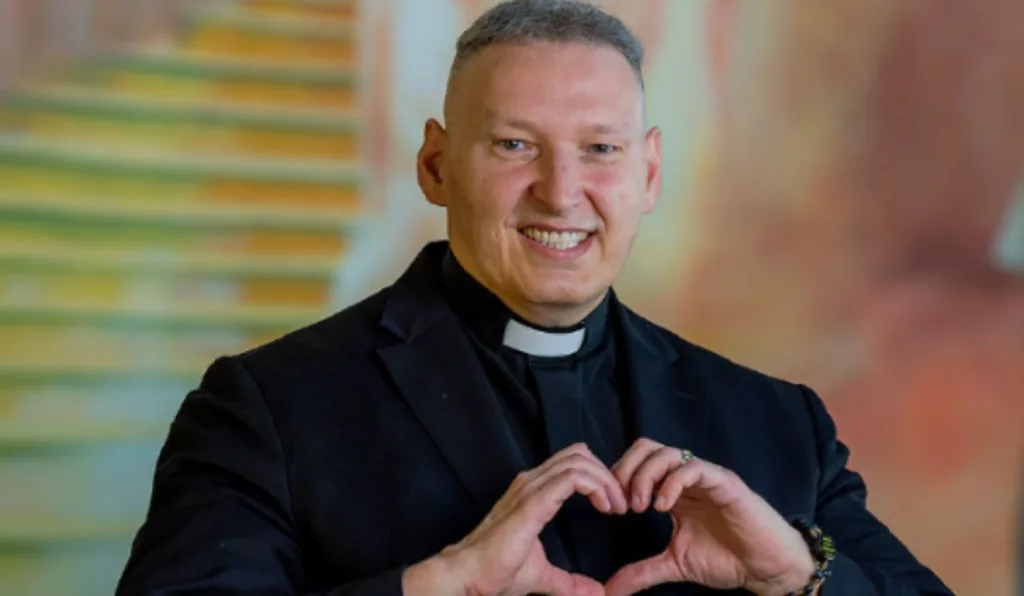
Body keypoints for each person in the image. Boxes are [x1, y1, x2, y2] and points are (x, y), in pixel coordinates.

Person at [115, 1, 953, 595]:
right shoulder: (267, 409)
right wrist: (432, 589)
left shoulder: (780, 426)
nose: (561, 192)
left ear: (649, 173)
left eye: (601, 149)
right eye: (516, 145)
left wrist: (800, 577)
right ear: (437, 165)